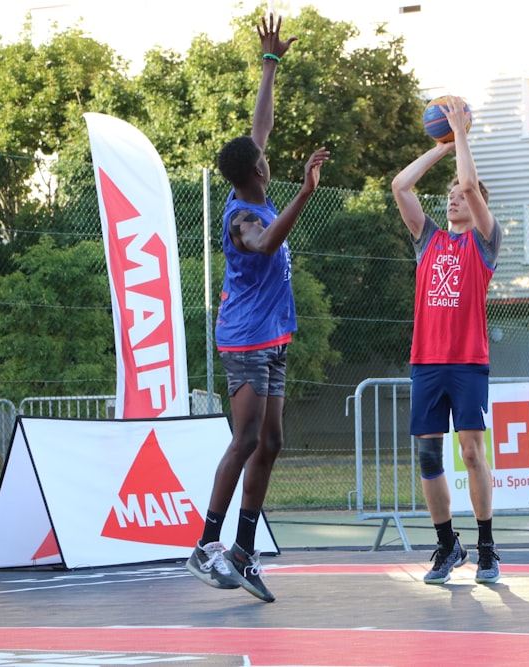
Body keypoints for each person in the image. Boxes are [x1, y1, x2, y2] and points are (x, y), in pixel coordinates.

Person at [185, 13, 329, 603]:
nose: (266, 153)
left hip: (271, 337)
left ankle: (243, 552)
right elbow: (265, 244)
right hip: (244, 338)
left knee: (271, 443)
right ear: (260, 172)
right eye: (264, 157)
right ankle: (205, 545)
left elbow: (258, 126)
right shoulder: (242, 216)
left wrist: (270, 64)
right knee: (245, 439)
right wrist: (306, 193)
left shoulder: (250, 179)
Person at [390, 96, 504, 585]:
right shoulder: (428, 239)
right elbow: (400, 185)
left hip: (467, 363)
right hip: (426, 362)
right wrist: (441, 144)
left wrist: (461, 136)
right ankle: (445, 546)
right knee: (429, 457)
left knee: (473, 453)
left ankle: (487, 548)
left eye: (462, 191)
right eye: (451, 192)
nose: (455, 196)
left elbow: (474, 185)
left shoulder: (485, 239)